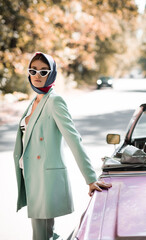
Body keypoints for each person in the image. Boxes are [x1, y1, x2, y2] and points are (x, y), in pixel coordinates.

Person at [13, 52, 112, 240]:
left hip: (45, 177)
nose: (37, 75)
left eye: (43, 71)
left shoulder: (54, 101)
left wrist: (91, 178)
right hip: (31, 175)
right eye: (33, 70)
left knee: (41, 235)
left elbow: (73, 139)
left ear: (52, 73)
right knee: (43, 232)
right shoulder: (35, 100)